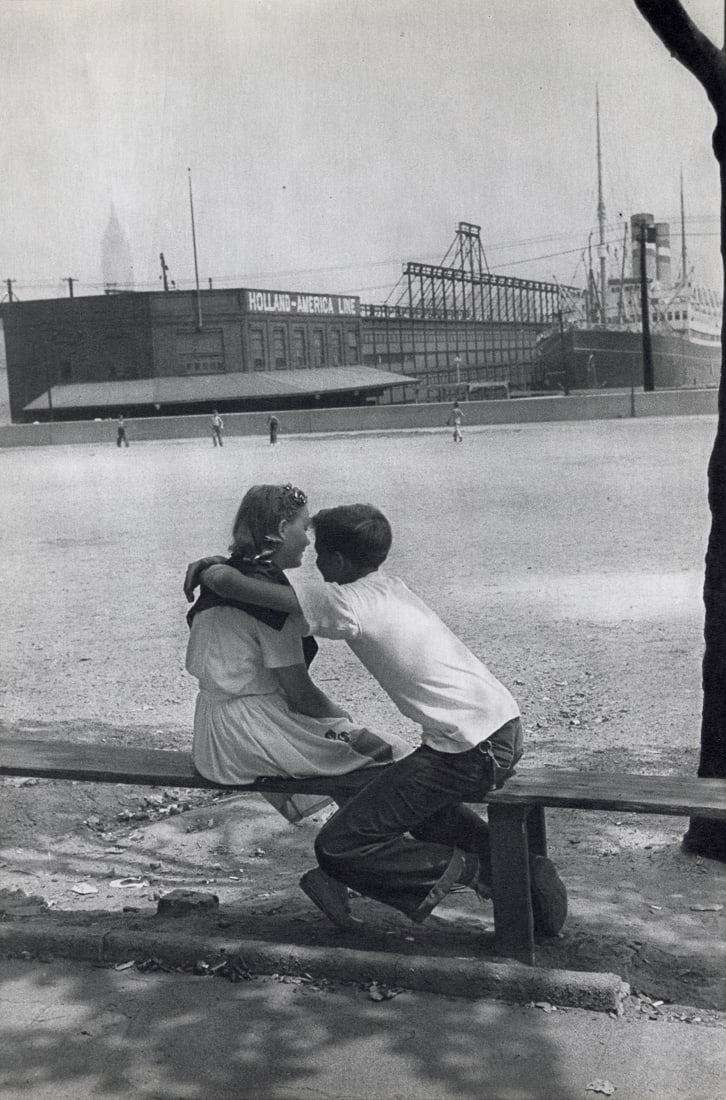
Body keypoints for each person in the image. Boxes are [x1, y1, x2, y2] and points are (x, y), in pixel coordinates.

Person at [184, 503, 567, 937]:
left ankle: (479, 870)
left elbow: (248, 590)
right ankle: (520, 873)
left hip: (467, 749)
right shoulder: (388, 586)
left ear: (339, 561)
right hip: (499, 728)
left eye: (320, 553)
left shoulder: (345, 603)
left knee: (338, 846)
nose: (312, 558)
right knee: (417, 809)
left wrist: (212, 569)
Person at [185, 484, 411, 875]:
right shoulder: (268, 597)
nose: (308, 541)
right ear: (280, 527)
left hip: (211, 734)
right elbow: (302, 697)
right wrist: (347, 723)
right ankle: (363, 863)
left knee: (347, 752)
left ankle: (348, 865)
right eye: (303, 527)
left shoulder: (225, 577)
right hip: (247, 735)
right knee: (394, 752)